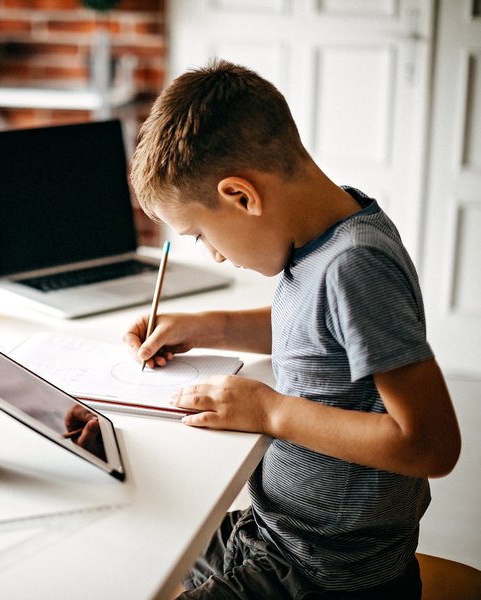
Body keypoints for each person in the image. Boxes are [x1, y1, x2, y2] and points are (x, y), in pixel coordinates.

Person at [124, 60, 461, 599]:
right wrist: (205, 326)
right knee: (149, 550)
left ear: (241, 196)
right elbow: (317, 333)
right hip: (278, 535)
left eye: (199, 235)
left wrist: (270, 411)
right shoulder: (323, 235)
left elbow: (431, 445)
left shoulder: (356, 265)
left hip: (328, 574)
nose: (211, 252)